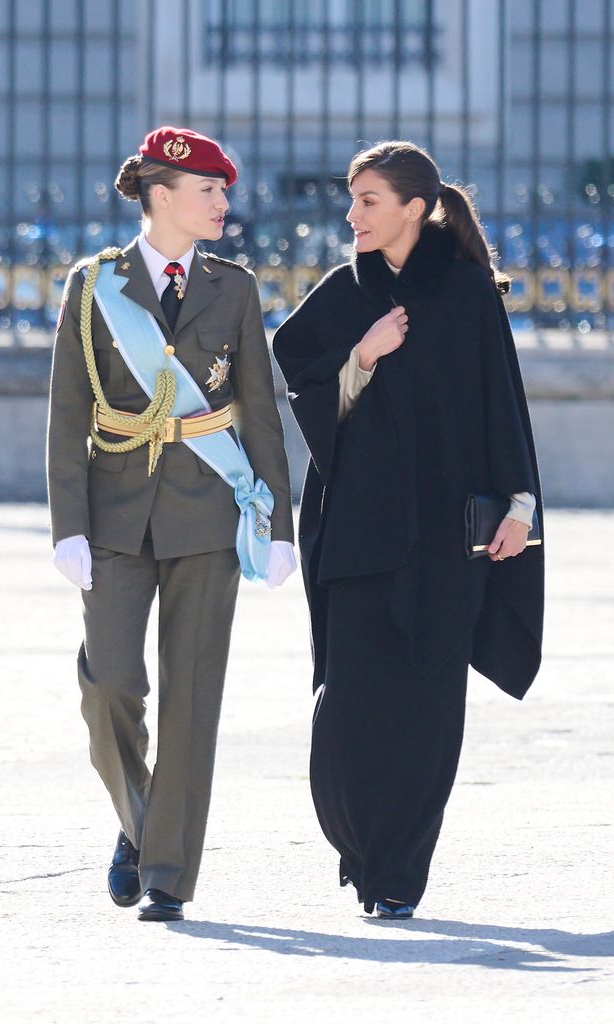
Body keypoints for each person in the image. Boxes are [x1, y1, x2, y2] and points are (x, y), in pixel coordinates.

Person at [272, 140, 544, 920]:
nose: (351, 214)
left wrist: (520, 505)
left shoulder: (465, 292)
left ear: (414, 208)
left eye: (367, 200)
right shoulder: (340, 293)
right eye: (351, 199)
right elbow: (300, 374)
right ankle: (358, 849)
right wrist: (362, 354)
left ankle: (397, 875)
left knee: (428, 711)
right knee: (350, 708)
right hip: (358, 532)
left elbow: (503, 400)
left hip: (447, 542)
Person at [47, 126, 296, 922]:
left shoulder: (235, 287)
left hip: (207, 513)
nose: (225, 203)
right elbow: (66, 413)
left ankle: (167, 874)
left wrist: (281, 522)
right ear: (161, 195)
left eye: (225, 189)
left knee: (193, 696)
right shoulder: (95, 287)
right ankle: (141, 819)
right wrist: (67, 524)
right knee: (109, 687)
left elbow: (260, 410)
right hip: (116, 510)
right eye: (210, 191)